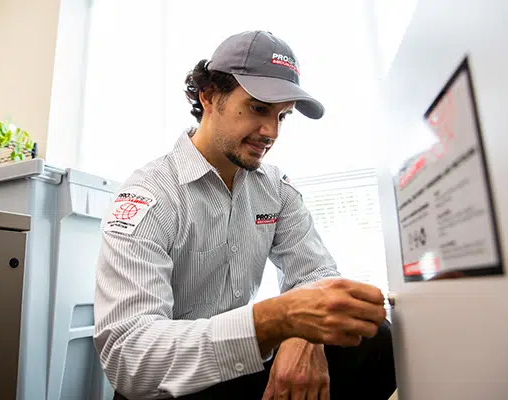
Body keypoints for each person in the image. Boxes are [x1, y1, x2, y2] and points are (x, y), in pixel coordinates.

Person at [94, 30, 396, 400]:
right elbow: (130, 358)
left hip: (239, 372)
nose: (271, 132)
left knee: (374, 338)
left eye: (281, 116)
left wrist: (302, 334)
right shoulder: (150, 194)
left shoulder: (276, 189)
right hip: (170, 386)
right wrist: (280, 319)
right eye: (257, 108)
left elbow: (316, 274)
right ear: (209, 96)